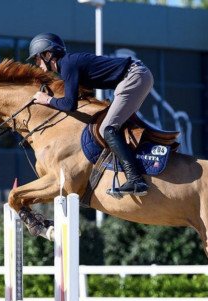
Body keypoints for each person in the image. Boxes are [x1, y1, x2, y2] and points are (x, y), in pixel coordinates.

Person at [28, 32, 152, 197]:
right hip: (137, 75)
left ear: (48, 54)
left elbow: (69, 105)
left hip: (134, 76)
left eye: (37, 59)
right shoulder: (69, 64)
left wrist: (47, 100)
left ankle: (136, 179)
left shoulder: (68, 65)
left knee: (108, 128)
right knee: (108, 126)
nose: (37, 64)